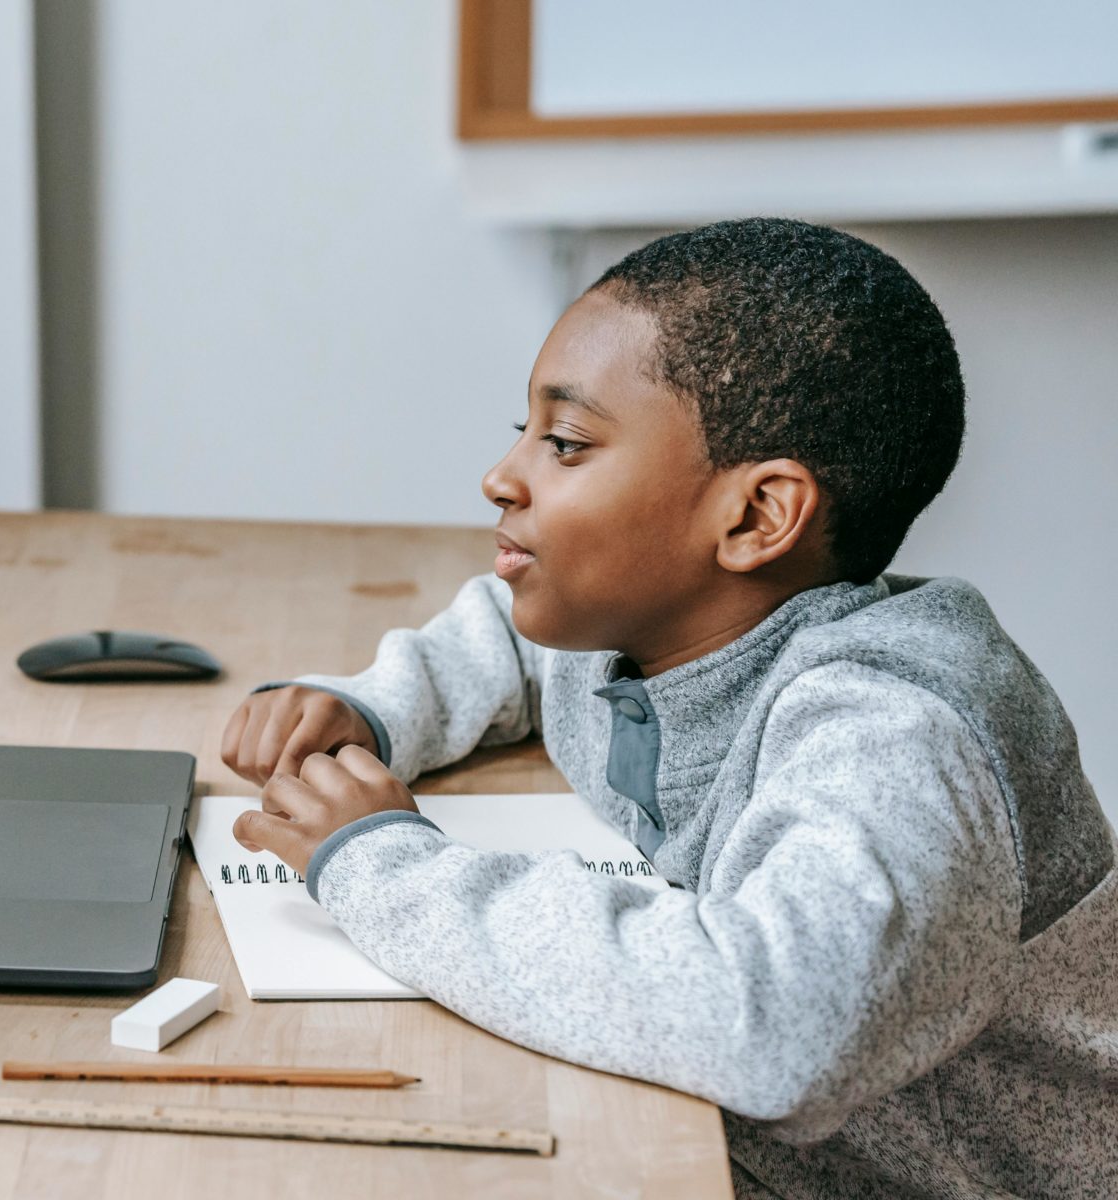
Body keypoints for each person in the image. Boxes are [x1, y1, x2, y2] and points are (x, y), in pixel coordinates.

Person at [222, 218, 1117, 1199]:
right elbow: (510, 641)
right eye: (518, 431)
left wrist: (385, 866)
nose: (501, 476)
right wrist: (376, 710)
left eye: (564, 443)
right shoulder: (649, 621)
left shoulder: (894, 733)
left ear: (753, 516)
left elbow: (775, 1025)